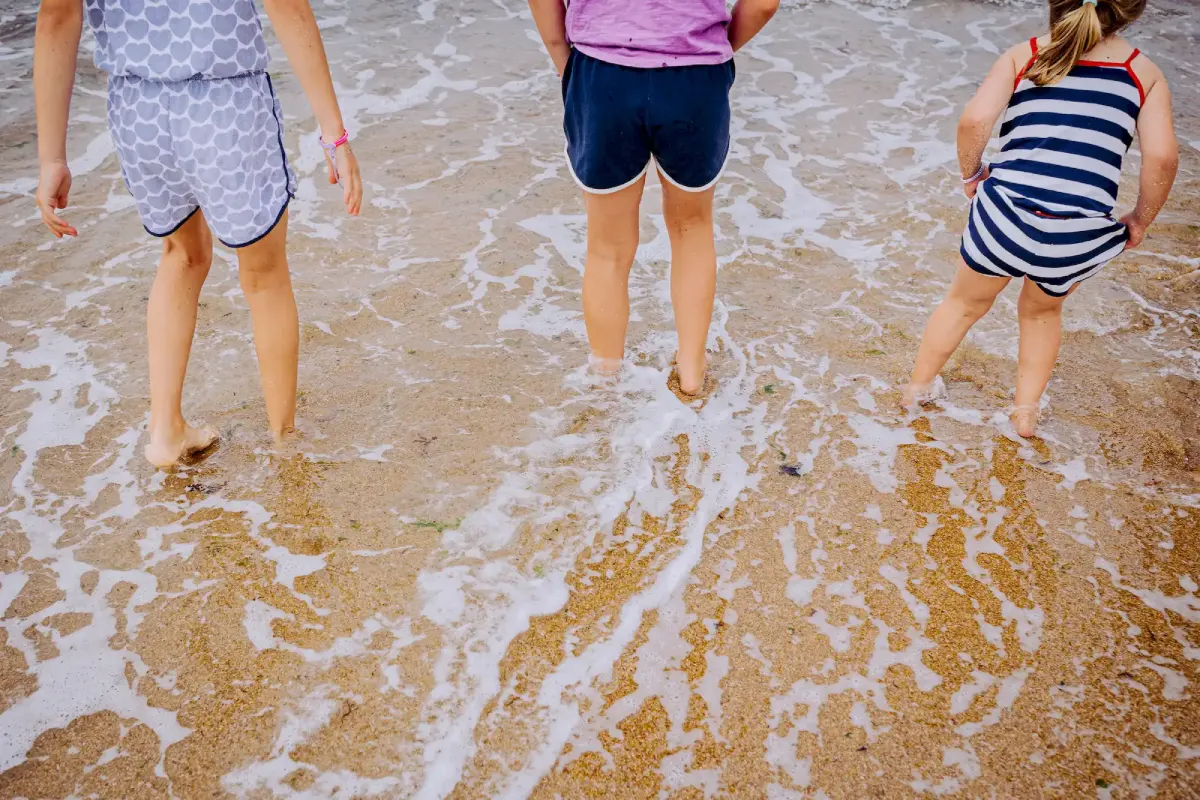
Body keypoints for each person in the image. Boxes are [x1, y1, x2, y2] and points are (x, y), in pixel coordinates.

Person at [34, 0, 363, 467]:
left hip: (137, 110)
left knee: (181, 256)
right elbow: (289, 9)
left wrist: (52, 159)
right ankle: (284, 446)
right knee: (263, 275)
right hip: (222, 104)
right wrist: (335, 137)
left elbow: (55, 17)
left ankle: (166, 432)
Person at [905, 0, 1177, 437]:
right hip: (1076, 233)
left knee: (963, 304)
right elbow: (1162, 158)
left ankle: (916, 391)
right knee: (1041, 314)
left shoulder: (1026, 54)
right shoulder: (1143, 74)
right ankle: (1025, 413)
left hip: (1005, 215)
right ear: (1133, 10)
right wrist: (1140, 219)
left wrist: (972, 173)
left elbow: (974, 120)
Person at [528, 0, 779, 395]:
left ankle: (606, 375)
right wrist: (714, 49)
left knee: (607, 247)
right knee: (691, 228)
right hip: (696, 79)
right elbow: (764, 4)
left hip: (601, 75)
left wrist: (565, 61)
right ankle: (692, 371)